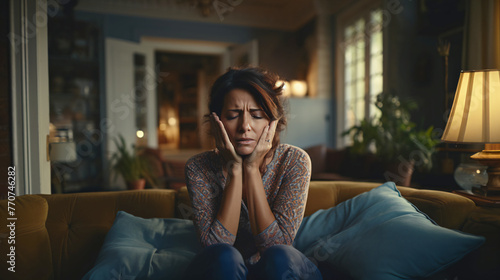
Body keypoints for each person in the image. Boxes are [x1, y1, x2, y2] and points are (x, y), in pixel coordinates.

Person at [183, 67, 322, 280]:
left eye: (256, 115)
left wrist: (251, 169)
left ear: (272, 122)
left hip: (278, 268)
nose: (245, 126)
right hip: (225, 269)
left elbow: (274, 246)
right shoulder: (198, 167)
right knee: (224, 256)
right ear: (216, 121)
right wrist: (235, 169)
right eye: (232, 116)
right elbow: (214, 247)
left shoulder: (295, 161)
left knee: (280, 255)